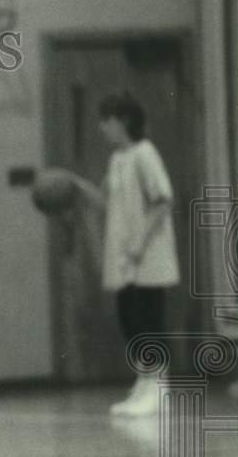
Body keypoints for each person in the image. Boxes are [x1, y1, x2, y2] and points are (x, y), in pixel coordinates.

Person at [71, 92, 180, 415]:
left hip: (146, 254)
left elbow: (163, 201)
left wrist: (140, 242)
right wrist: (72, 186)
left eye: (108, 120)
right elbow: (104, 200)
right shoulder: (118, 160)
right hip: (123, 258)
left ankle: (160, 387)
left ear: (125, 122)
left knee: (149, 320)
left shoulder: (146, 154)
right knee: (130, 320)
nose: (102, 126)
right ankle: (144, 383)